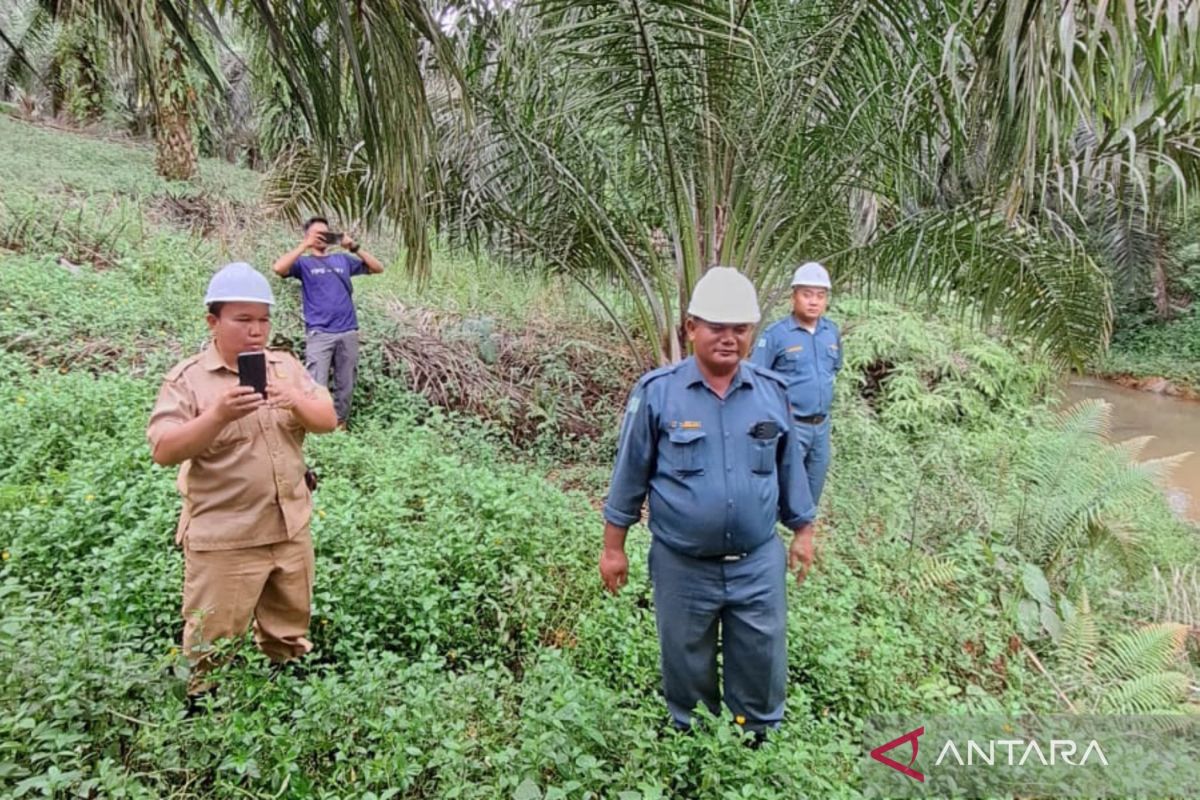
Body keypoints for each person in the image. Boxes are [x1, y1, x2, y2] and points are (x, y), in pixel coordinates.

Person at [599, 267, 817, 741]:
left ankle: (753, 738)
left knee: (761, 656)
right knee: (685, 656)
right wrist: (613, 548)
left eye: (739, 328)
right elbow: (629, 474)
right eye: (717, 327)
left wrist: (803, 532)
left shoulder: (771, 393)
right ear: (691, 328)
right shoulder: (658, 394)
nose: (728, 338)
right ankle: (693, 741)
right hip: (683, 565)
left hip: (756, 563)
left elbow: (789, 470)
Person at [147, 262, 337, 699]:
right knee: (213, 638)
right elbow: (164, 449)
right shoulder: (189, 380)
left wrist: (293, 399)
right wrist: (218, 415)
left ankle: (284, 694)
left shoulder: (285, 367)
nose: (257, 331)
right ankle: (204, 711)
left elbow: (327, 418)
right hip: (226, 537)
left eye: (264, 319)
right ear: (213, 322)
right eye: (244, 319)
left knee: (289, 627)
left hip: (290, 526)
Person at [272, 216, 385, 429]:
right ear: (307, 236)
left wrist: (354, 246)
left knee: (346, 382)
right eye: (317, 234)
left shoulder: (342, 260)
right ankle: (314, 425)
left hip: (348, 331)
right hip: (319, 333)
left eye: (326, 233)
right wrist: (304, 245)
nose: (322, 238)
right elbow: (279, 268)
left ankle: (340, 423)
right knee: (315, 383)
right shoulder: (303, 264)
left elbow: (378, 268)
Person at [750, 261, 842, 508]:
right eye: (807, 294)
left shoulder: (830, 332)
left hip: (820, 427)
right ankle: (771, 537)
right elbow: (757, 381)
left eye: (820, 296)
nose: (814, 301)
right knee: (780, 489)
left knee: (813, 489)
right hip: (790, 427)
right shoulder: (776, 335)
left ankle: (802, 537)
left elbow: (834, 369)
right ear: (794, 297)